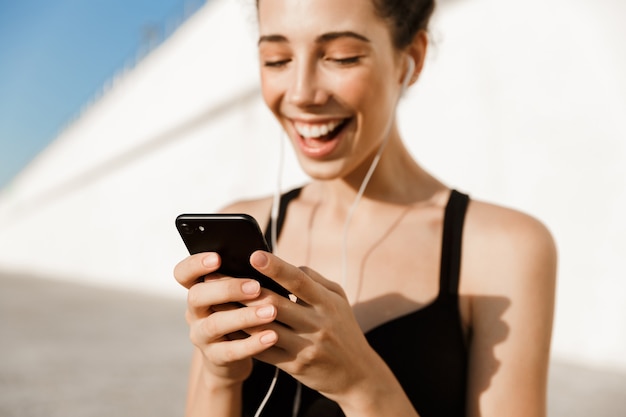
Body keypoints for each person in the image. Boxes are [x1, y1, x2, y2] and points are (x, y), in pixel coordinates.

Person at [174, 0, 558, 416]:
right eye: (277, 59)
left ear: (410, 59)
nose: (302, 93)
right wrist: (219, 376)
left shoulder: (504, 248)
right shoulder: (247, 223)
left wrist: (361, 385)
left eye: (342, 57)